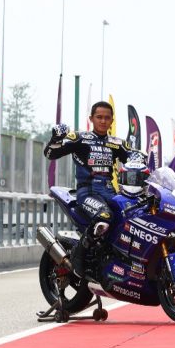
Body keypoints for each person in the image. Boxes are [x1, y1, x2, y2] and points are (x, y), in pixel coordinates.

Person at [44, 101, 134, 280]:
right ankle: (78, 259)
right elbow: (50, 154)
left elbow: (137, 161)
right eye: (99, 117)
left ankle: (116, 262)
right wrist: (56, 139)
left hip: (110, 192)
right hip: (87, 192)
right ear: (91, 118)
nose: (103, 121)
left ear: (112, 120)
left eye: (107, 118)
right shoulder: (79, 138)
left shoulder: (118, 144)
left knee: (132, 217)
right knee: (104, 217)